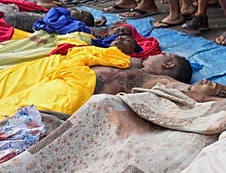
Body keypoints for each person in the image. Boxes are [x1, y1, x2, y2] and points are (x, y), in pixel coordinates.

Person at [0, 45, 191, 117]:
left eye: (164, 54)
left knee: (12, 107)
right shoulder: (131, 62)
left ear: (168, 63)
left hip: (72, 92)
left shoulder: (154, 79)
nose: (157, 54)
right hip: (64, 79)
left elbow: (184, 89)